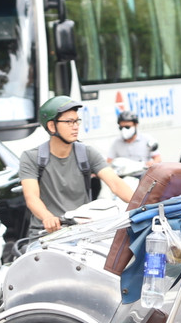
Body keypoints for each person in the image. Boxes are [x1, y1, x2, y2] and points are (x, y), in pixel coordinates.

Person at [20, 97, 133, 234]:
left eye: (77, 121)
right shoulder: (31, 157)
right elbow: (31, 197)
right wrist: (48, 217)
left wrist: (143, 205)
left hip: (82, 230)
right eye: (69, 122)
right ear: (51, 126)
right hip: (44, 232)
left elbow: (115, 183)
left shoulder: (87, 153)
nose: (75, 126)